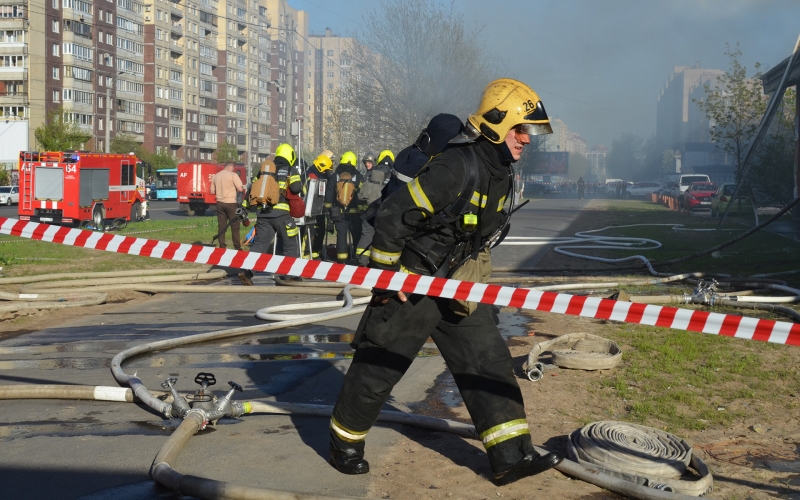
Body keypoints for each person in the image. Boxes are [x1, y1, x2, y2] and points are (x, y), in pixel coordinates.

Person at [327, 78, 564, 485]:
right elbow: (393, 215)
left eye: (529, 132)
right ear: (496, 122)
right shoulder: (458, 165)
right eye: (520, 129)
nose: (527, 139)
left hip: (455, 284)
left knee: (487, 361)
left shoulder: (501, 172)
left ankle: (510, 455)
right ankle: (344, 442)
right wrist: (388, 275)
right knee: (381, 364)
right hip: (413, 281)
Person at [239, 144, 303, 285]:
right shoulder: (290, 170)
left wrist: (244, 209)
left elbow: (251, 191)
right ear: (291, 156)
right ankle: (290, 274)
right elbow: (296, 188)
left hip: (263, 215)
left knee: (260, 245)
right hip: (282, 215)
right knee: (290, 243)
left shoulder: (264, 172)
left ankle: (246, 272)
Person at [325, 151, 364, 263]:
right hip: (355, 213)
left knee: (341, 236)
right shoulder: (358, 176)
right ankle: (357, 259)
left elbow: (329, 194)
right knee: (357, 236)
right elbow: (362, 194)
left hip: (339, 213)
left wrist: (328, 209)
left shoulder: (335, 176)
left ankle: (341, 261)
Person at [304, 153, 335, 259]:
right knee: (310, 231)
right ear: (321, 167)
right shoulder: (311, 175)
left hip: (319, 209)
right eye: (326, 170)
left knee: (320, 230)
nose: (327, 172)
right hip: (309, 210)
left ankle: (318, 251)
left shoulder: (321, 174)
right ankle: (308, 253)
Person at [210, 162, 245, 251]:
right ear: (231, 167)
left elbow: (212, 192)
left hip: (220, 203)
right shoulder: (233, 175)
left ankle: (222, 245)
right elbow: (240, 189)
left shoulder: (216, 176)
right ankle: (237, 247)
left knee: (222, 226)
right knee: (235, 226)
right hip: (231, 203)